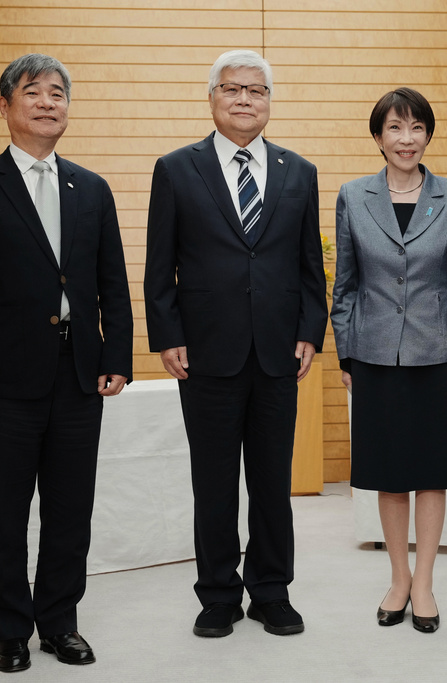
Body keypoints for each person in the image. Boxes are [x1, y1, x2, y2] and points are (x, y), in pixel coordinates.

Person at [0, 53, 133, 671]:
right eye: (33, 92)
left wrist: (117, 356)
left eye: (58, 93)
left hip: (79, 375)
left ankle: (59, 623)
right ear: (5, 106)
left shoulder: (91, 188)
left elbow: (112, 284)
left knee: (70, 511)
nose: (49, 102)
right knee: (5, 512)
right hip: (3, 382)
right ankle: (11, 631)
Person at [143, 50, 328, 639]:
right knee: (214, 480)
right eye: (233, 88)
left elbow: (307, 268)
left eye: (257, 90)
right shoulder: (176, 169)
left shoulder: (300, 172)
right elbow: (158, 266)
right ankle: (218, 594)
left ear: (270, 102)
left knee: (273, 480)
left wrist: (309, 330)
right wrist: (167, 335)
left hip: (278, 352)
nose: (245, 98)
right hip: (205, 353)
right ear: (212, 97)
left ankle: (272, 590)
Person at [330, 88, 447, 634]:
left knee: (431, 473)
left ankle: (425, 582)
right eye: (395, 128)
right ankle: (397, 577)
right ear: (378, 137)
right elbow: (344, 284)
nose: (406, 138)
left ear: (428, 135)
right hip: (371, 354)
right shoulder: (353, 195)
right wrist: (345, 351)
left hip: (436, 352)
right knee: (389, 474)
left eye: (416, 128)